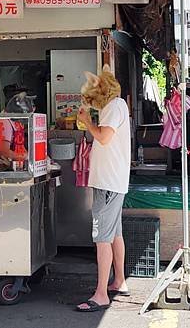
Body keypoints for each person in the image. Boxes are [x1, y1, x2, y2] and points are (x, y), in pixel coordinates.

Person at [75, 68, 131, 313]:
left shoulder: (114, 107)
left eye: (90, 98)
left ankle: (100, 294)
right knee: (114, 233)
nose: (90, 103)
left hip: (108, 184)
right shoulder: (117, 106)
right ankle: (118, 280)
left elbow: (104, 137)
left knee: (102, 238)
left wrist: (88, 122)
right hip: (111, 182)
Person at [0, 92, 35, 165]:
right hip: (2, 165)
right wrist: (26, 157)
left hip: (13, 163)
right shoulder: (4, 122)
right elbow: (4, 151)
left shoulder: (15, 121)